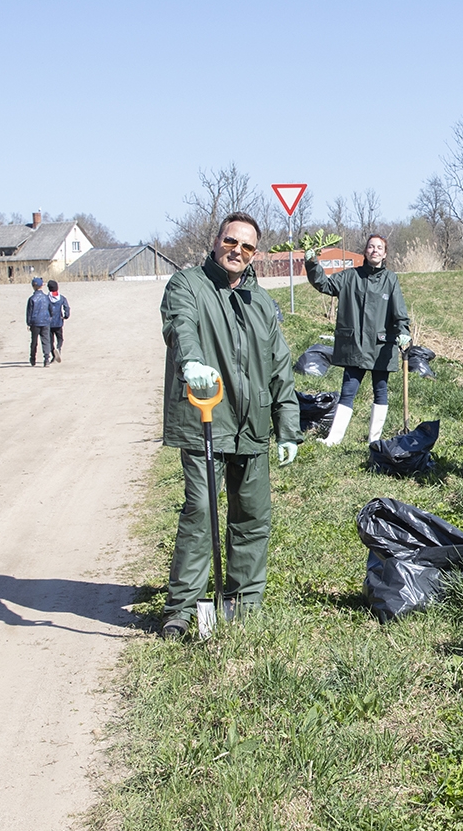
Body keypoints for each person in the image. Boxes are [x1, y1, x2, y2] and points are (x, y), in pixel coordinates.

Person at [158, 212, 301, 640]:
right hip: (207, 416)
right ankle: (183, 608)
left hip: (252, 422)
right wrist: (192, 362)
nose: (237, 251)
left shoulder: (261, 303)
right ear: (216, 241)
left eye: (247, 247)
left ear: (255, 253)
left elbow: (280, 366)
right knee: (201, 509)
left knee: (252, 516)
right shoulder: (188, 285)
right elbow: (179, 326)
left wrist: (288, 425)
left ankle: (243, 602)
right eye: (230, 241)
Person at [304, 234, 411, 445]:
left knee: (380, 390)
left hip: (381, 345)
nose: (375, 250)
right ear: (365, 251)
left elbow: (399, 310)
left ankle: (375, 440)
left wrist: (403, 330)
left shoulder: (390, 279)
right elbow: (324, 284)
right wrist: (312, 263)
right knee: (348, 390)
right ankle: (333, 439)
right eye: (371, 247)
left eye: (379, 247)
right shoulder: (349, 277)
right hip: (354, 345)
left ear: (385, 253)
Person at [25, 277, 53, 367]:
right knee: (46, 340)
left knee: (34, 341)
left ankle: (33, 358)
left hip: (35, 322)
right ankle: (46, 359)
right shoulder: (46, 298)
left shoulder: (32, 299)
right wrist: (50, 317)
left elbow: (29, 312)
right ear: (42, 286)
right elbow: (50, 309)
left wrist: (28, 323)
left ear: (33, 286)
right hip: (45, 321)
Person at [47, 280, 70, 363]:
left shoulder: (46, 298)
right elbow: (66, 307)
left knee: (50, 340)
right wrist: (65, 316)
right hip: (58, 321)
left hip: (48, 323)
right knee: (60, 338)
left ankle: (53, 354)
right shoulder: (61, 298)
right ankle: (58, 348)